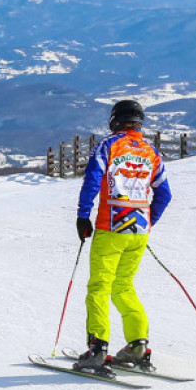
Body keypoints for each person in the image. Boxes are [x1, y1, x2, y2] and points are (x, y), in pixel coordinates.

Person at [73, 100, 172, 374]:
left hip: (110, 226)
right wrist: (148, 221)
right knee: (124, 286)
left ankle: (97, 349)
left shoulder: (108, 146)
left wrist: (83, 215)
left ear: (115, 120)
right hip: (138, 231)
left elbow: (92, 180)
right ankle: (138, 346)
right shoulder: (152, 153)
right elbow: (164, 194)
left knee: (99, 288)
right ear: (139, 122)